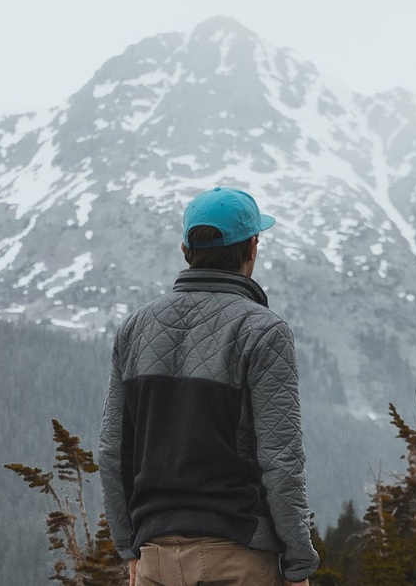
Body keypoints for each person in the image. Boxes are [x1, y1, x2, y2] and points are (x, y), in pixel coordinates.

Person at [99, 186, 319, 585]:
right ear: (252, 247)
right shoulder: (263, 331)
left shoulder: (134, 328)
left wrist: (130, 548)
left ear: (185, 249)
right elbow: (281, 460)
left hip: (154, 560)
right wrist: (299, 563)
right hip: (237, 558)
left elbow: (112, 453)